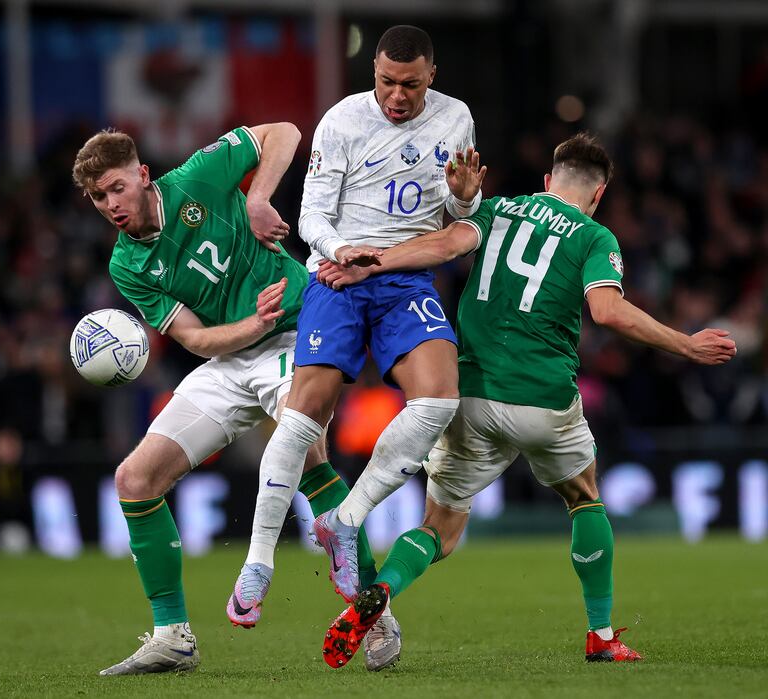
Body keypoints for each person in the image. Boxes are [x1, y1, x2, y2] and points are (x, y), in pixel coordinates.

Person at [314, 133, 738, 668]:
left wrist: (371, 263)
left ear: (547, 182)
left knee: (438, 531)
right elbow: (606, 312)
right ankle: (602, 636)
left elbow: (444, 246)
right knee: (584, 497)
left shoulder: (496, 210)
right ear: (599, 193)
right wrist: (685, 343)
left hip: (468, 394)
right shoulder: (594, 236)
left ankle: (384, 592)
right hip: (542, 401)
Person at [72, 122, 371, 675]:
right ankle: (172, 636)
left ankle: (373, 617)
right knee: (134, 480)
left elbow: (284, 131)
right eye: (97, 197)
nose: (110, 204)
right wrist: (247, 323)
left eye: (117, 187)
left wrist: (257, 198)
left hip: (294, 330)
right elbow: (193, 339)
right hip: (231, 355)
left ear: (142, 175)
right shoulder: (125, 264)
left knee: (303, 450)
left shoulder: (197, 177)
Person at [233, 25, 482, 671]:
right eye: (387, 82)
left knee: (440, 399)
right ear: (373, 71)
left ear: (431, 75)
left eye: (410, 83)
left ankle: (348, 515)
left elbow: (461, 212)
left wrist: (462, 194)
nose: (397, 96)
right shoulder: (343, 119)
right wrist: (339, 249)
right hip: (340, 274)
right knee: (302, 414)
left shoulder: (456, 117)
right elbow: (312, 211)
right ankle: (258, 560)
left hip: (402, 277)